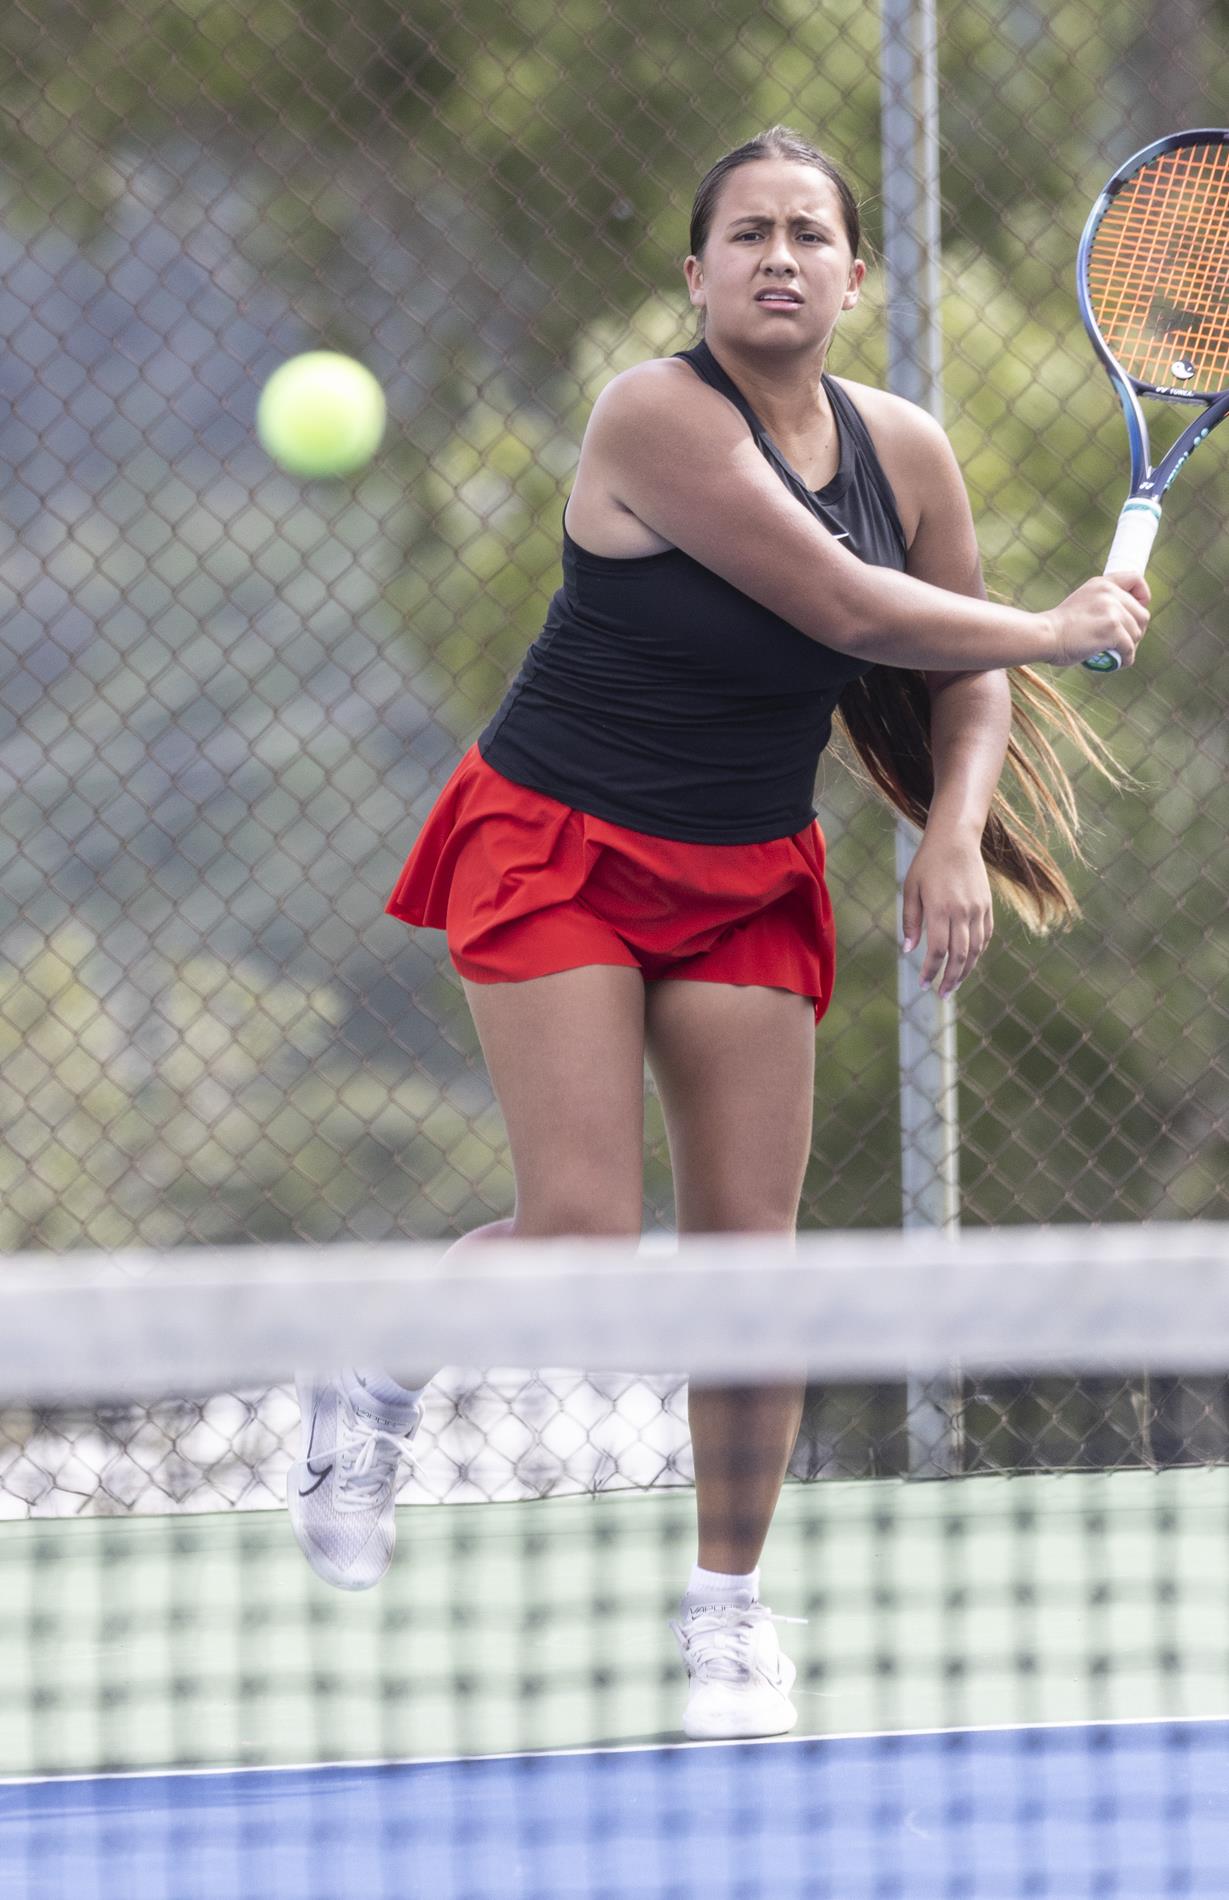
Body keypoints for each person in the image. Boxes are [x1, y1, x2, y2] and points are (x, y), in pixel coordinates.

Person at [286, 127, 1149, 1741]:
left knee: (753, 1264)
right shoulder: (651, 417)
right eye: (742, 233)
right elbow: (847, 609)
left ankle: (728, 1617)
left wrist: (954, 827)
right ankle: (376, 1365)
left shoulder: (907, 452)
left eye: (806, 234)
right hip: (555, 847)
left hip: (745, 868)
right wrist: (1052, 623)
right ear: (695, 276)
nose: (775, 255)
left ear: (851, 276)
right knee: (588, 1233)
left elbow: (958, 679)